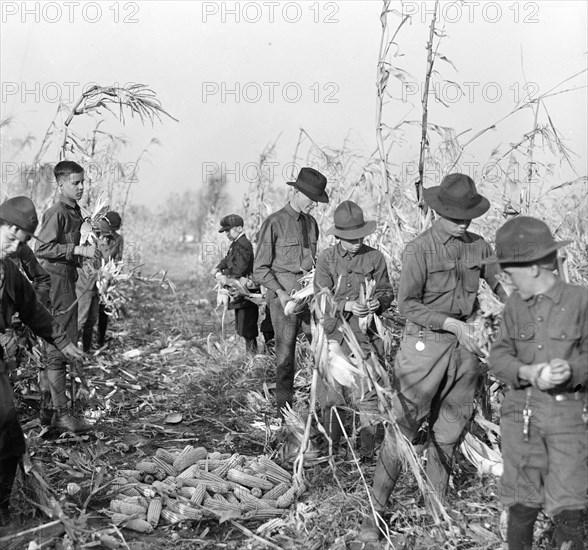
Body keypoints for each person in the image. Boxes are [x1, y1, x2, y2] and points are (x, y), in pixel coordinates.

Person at [360, 173, 506, 541]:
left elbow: (499, 284)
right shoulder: (419, 249)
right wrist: (450, 325)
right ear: (439, 211)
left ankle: (436, 513)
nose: (463, 223)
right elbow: (407, 304)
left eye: (468, 216)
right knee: (404, 427)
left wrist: (519, 301)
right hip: (424, 347)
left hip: (465, 352)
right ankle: (374, 516)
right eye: (456, 216)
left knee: (450, 430)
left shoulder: (479, 245)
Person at [487, 217, 586, 550]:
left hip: (566, 419)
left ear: (531, 268)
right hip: (521, 419)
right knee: (522, 505)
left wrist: (570, 370)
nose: (506, 281)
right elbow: (498, 358)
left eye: (509, 274)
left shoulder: (580, 302)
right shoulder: (515, 306)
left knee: (569, 508)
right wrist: (528, 373)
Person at [0, 196, 84, 525]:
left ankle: (3, 507)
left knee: (9, 436)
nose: (13, 247)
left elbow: (35, 311)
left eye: (19, 244)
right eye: (9, 238)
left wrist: (63, 342)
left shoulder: (9, 269)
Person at [314, 200, 394, 459]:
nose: (357, 241)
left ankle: (367, 453)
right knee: (333, 399)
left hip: (366, 337)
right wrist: (346, 304)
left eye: (360, 236)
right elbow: (320, 299)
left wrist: (377, 302)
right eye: (350, 238)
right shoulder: (326, 258)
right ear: (338, 236)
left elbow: (386, 291)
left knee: (368, 395)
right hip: (335, 334)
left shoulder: (375, 257)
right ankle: (332, 451)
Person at [253, 167, 329, 418]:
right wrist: (281, 293)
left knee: (322, 352)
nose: (315, 205)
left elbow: (315, 263)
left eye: (317, 201)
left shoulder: (312, 224)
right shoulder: (274, 223)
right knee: (285, 360)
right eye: (312, 199)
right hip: (283, 300)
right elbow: (260, 269)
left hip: (310, 297)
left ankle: (324, 411)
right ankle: (283, 413)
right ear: (295, 192)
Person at [35, 160, 97, 433]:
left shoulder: (75, 212)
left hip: (66, 280)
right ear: (61, 185)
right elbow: (42, 247)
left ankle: (49, 413)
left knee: (58, 346)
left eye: (83, 182)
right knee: (60, 348)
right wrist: (77, 251)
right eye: (76, 183)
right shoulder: (57, 212)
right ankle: (60, 415)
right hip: (57, 283)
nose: (82, 187)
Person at [6, 240, 53, 426]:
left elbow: (41, 278)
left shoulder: (18, 246)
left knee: (40, 359)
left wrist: (29, 310)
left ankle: (48, 411)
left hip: (15, 322)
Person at [212, 214, 259, 354]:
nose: (226, 233)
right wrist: (218, 268)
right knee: (243, 328)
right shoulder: (236, 244)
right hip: (239, 292)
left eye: (228, 230)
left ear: (239, 228)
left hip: (245, 291)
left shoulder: (244, 245)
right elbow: (227, 260)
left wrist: (222, 275)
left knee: (248, 329)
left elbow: (239, 269)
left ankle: (253, 359)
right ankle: (250, 358)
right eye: (225, 231)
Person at [76, 218, 114, 353]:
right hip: (84, 289)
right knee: (80, 321)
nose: (103, 238)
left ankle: (86, 351)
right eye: (100, 234)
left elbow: (108, 264)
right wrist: (101, 274)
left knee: (91, 321)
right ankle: (73, 353)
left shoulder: (101, 246)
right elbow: (87, 270)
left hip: (94, 291)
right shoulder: (85, 248)